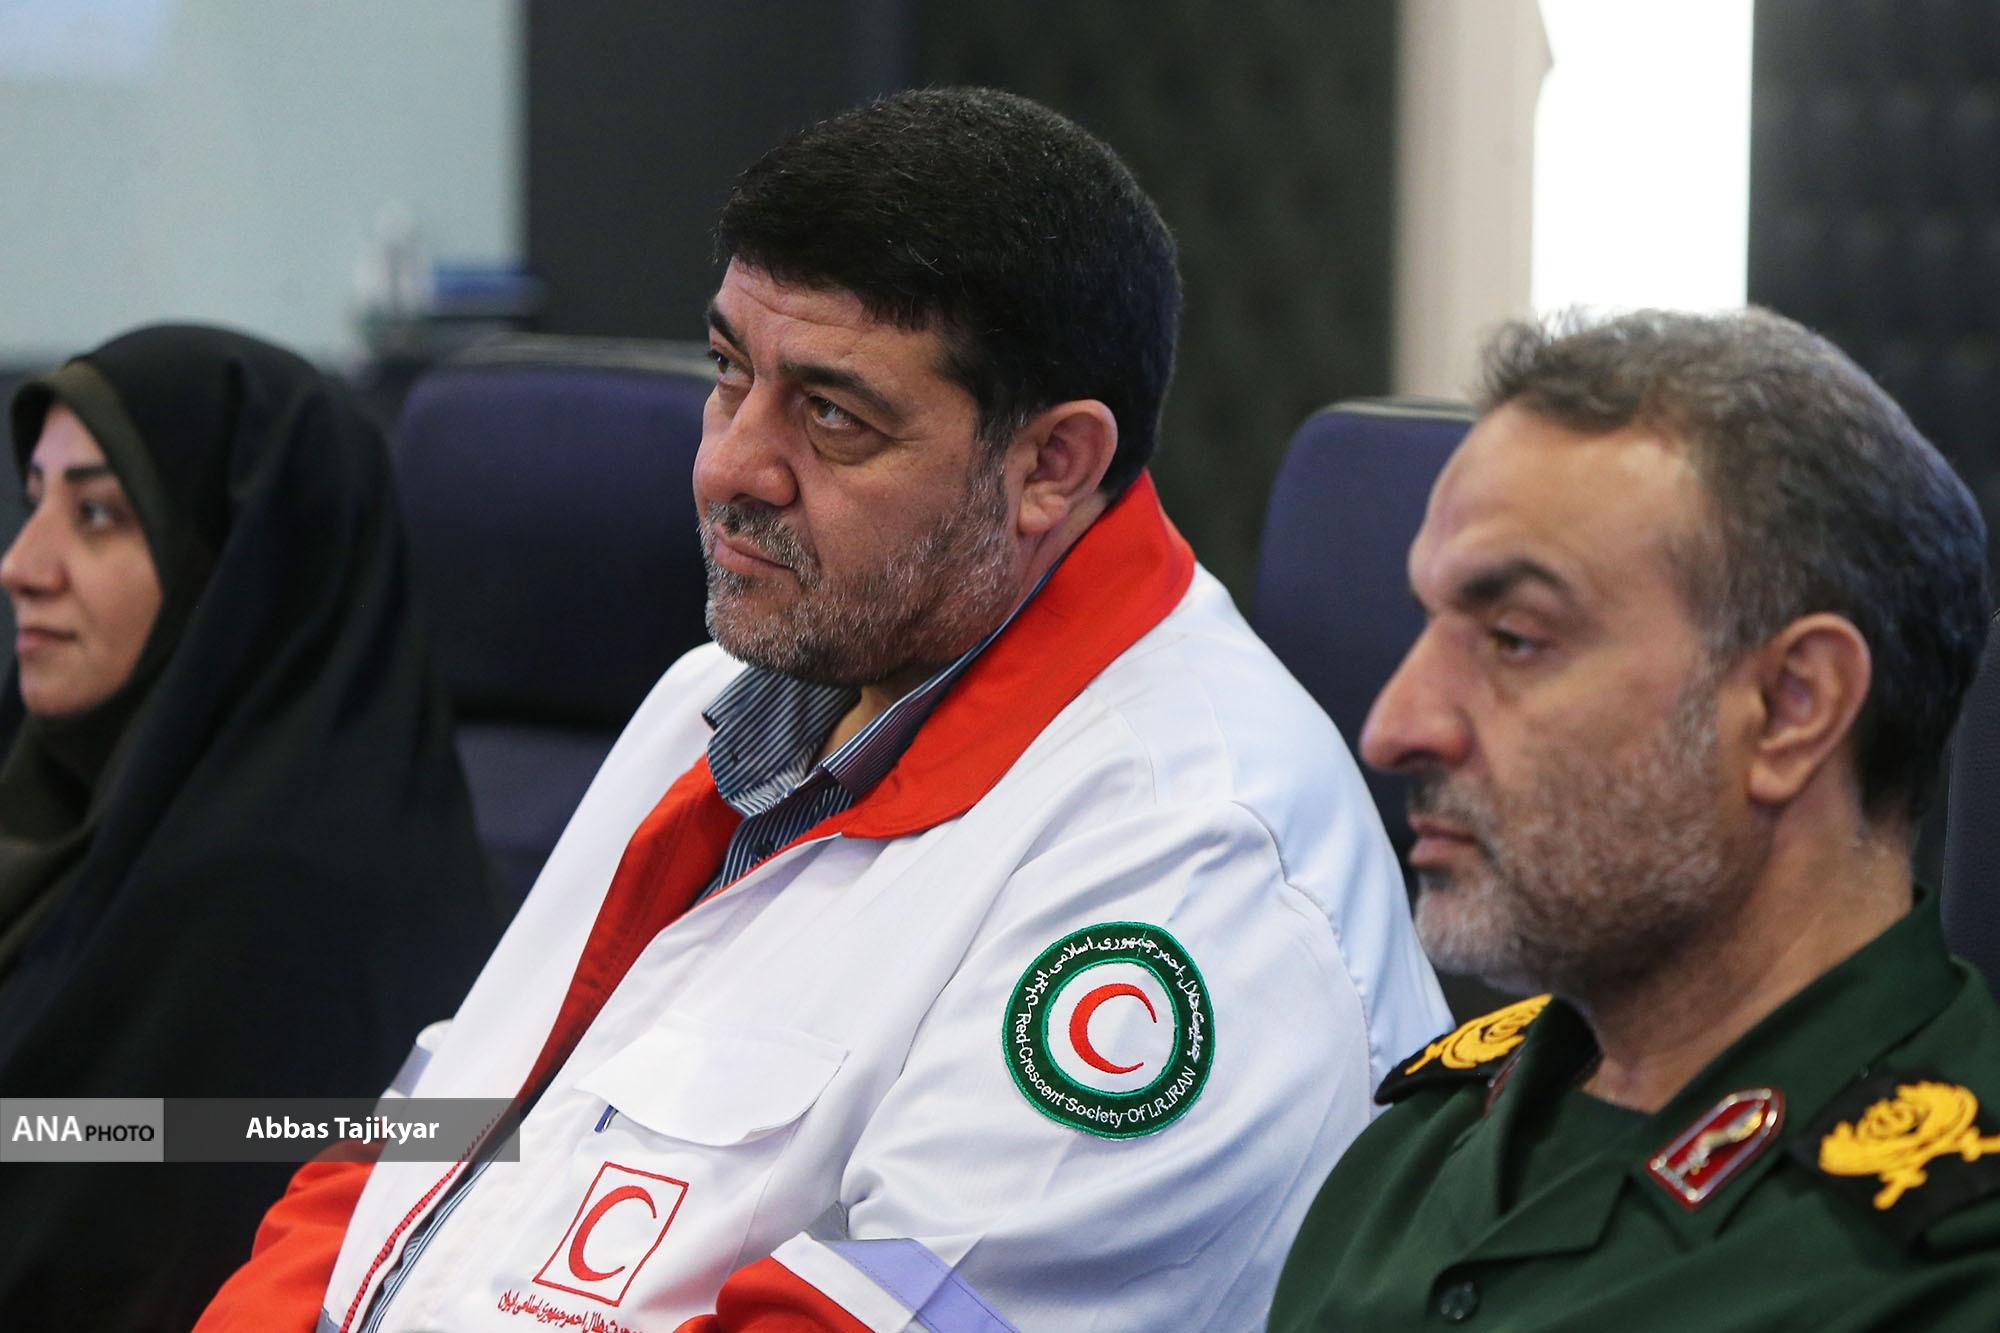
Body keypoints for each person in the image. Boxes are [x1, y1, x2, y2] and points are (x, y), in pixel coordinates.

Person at [200, 87, 1447, 1332]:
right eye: (727, 373)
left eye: (832, 416)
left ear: (1050, 466)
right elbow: (427, 1151)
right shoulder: (721, 696)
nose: (726, 466)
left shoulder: (1185, 862)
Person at [1269, 308, 2000, 1330]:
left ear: (1789, 708)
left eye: (1514, 639)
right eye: (1428, 625)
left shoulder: (1940, 1267)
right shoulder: (1413, 1148)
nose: (1393, 727)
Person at [0, 324, 508, 1331]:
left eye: (97, 514)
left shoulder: (281, 910)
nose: (23, 564)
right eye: (33, 502)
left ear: (239, 565)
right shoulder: (67, 803)